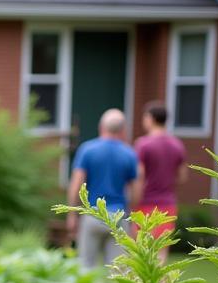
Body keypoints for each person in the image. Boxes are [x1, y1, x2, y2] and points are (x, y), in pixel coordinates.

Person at [66, 108, 140, 268]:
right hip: (118, 218)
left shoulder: (87, 149)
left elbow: (76, 184)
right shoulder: (129, 154)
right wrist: (132, 216)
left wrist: (72, 214)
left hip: (92, 216)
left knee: (85, 267)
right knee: (120, 272)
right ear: (123, 130)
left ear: (101, 127)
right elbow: (136, 190)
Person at [133, 101, 187, 262]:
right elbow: (182, 176)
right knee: (161, 253)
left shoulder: (143, 144)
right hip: (167, 204)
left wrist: (133, 201)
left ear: (150, 118)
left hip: (145, 203)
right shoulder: (177, 145)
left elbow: (139, 175)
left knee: (141, 252)